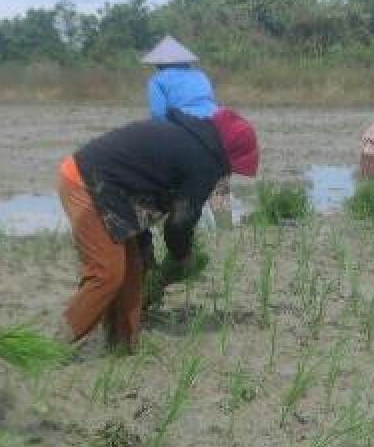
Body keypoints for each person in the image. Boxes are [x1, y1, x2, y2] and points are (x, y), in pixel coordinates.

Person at [57, 107, 259, 350]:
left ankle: (122, 345)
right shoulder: (205, 162)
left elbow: (143, 192)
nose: (228, 175)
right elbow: (179, 223)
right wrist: (182, 257)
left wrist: (146, 252)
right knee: (107, 273)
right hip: (86, 182)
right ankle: (53, 344)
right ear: (229, 155)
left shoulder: (192, 140)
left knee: (133, 272)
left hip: (111, 189)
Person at [142, 35, 233, 232]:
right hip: (216, 132)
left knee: (182, 187)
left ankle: (185, 232)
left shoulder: (157, 80)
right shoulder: (200, 76)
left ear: (157, 63)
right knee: (219, 188)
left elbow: (159, 116)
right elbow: (209, 104)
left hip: (185, 135)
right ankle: (226, 232)